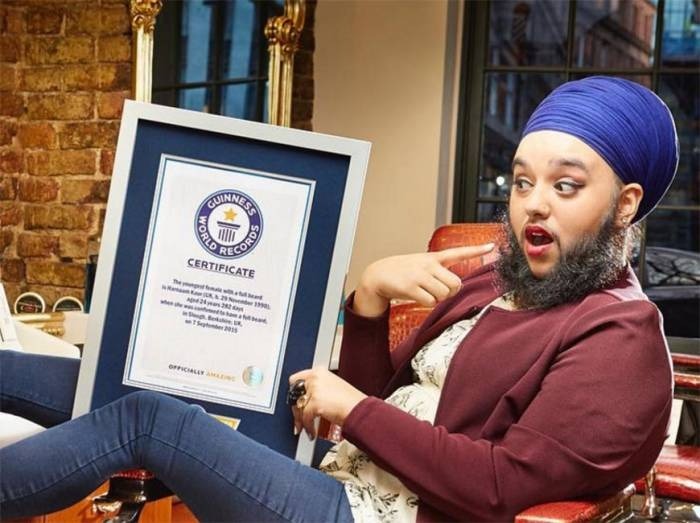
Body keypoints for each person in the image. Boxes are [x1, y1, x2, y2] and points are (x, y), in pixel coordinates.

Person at [0, 76, 678, 522]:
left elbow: (502, 486)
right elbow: (367, 400)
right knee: (119, 375)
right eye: (523, 181)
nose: (533, 203)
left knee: (149, 419)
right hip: (336, 470)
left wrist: (353, 409)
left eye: (565, 186)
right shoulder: (501, 279)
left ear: (624, 205)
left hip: (375, 512)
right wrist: (370, 301)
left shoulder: (620, 338)